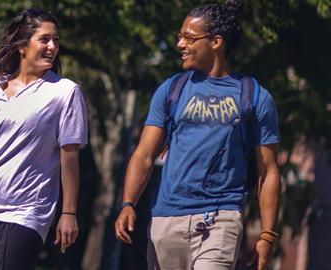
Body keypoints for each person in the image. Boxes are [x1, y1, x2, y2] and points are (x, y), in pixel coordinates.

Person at [114, 1, 281, 269]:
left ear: (216, 42)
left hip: (221, 219)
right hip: (166, 220)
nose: (180, 44)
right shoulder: (171, 90)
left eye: (189, 38)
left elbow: (268, 171)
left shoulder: (254, 96)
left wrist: (267, 235)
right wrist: (128, 203)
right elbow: (144, 154)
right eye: (179, 36)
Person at [0, 8, 88, 270]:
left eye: (56, 40)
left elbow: (70, 159)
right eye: (44, 39)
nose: (52, 46)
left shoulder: (65, 93)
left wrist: (68, 212)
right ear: (22, 45)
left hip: (27, 211)